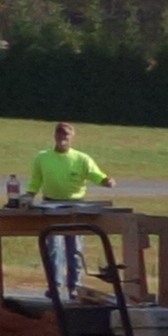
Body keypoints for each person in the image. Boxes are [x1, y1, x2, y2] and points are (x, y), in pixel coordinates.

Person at [19, 118, 115, 304]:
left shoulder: (81, 159)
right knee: (54, 247)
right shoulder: (42, 157)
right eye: (59, 133)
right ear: (55, 136)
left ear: (72, 138)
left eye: (66, 134)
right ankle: (54, 287)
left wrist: (106, 181)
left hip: (75, 207)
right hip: (50, 205)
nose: (62, 137)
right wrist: (29, 195)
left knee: (75, 249)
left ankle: (74, 287)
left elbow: (95, 174)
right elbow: (36, 180)